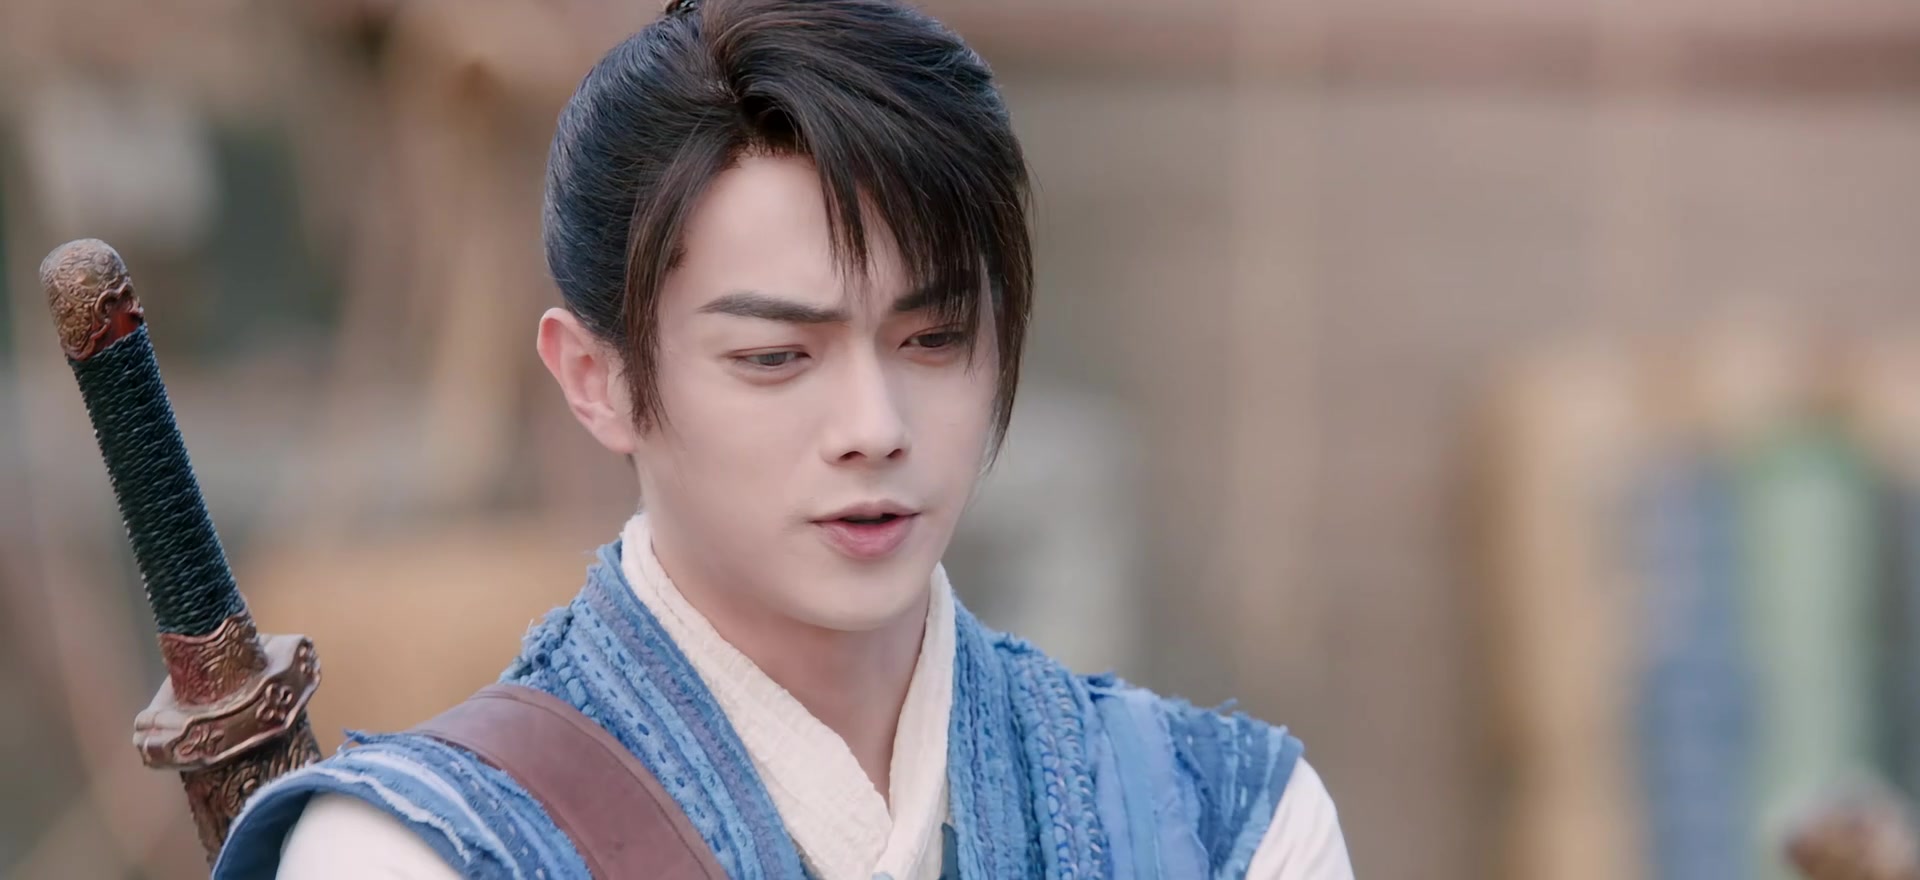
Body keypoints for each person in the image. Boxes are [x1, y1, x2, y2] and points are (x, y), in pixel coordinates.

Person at [214, 0, 1353, 876]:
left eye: (933, 339)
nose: (873, 429)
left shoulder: (1223, 819)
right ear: (598, 380)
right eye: (775, 357)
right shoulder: (412, 853)